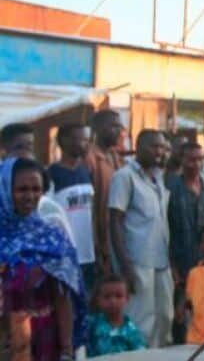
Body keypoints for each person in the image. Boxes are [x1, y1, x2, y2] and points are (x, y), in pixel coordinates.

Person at [1, 156, 88, 361]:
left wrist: (66, 350)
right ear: (4, 190)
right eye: (22, 189)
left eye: (36, 189)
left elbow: (63, 297)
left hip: (46, 339)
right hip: (5, 342)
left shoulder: (52, 236)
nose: (30, 196)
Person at [108, 128, 174, 348]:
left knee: (165, 317)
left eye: (162, 147)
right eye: (154, 146)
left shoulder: (158, 178)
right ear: (139, 147)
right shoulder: (124, 177)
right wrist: (124, 264)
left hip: (161, 259)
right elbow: (115, 220)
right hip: (137, 260)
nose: (159, 152)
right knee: (142, 321)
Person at [167, 141, 204, 343]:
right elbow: (166, 230)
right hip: (180, 263)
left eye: (199, 159)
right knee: (180, 317)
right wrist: (172, 266)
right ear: (182, 160)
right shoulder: (171, 189)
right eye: (191, 159)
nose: (195, 164)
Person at [3, 123, 74, 246]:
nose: (25, 154)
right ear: (3, 151)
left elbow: (68, 250)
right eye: (19, 148)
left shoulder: (51, 213)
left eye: (30, 148)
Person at [48, 123, 97, 289]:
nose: (86, 144)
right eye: (80, 139)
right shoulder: (52, 174)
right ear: (64, 141)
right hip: (66, 253)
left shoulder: (86, 171)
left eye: (87, 140)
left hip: (88, 252)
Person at [85, 110, 125, 277]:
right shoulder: (90, 158)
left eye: (120, 126)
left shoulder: (116, 158)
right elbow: (89, 209)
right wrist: (96, 244)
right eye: (114, 126)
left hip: (116, 237)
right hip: (99, 240)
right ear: (98, 128)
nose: (120, 131)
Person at [86, 274, 147, 357]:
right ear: (98, 299)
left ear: (127, 298)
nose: (113, 301)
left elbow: (141, 354)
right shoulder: (91, 324)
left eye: (118, 296)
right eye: (107, 297)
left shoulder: (132, 330)